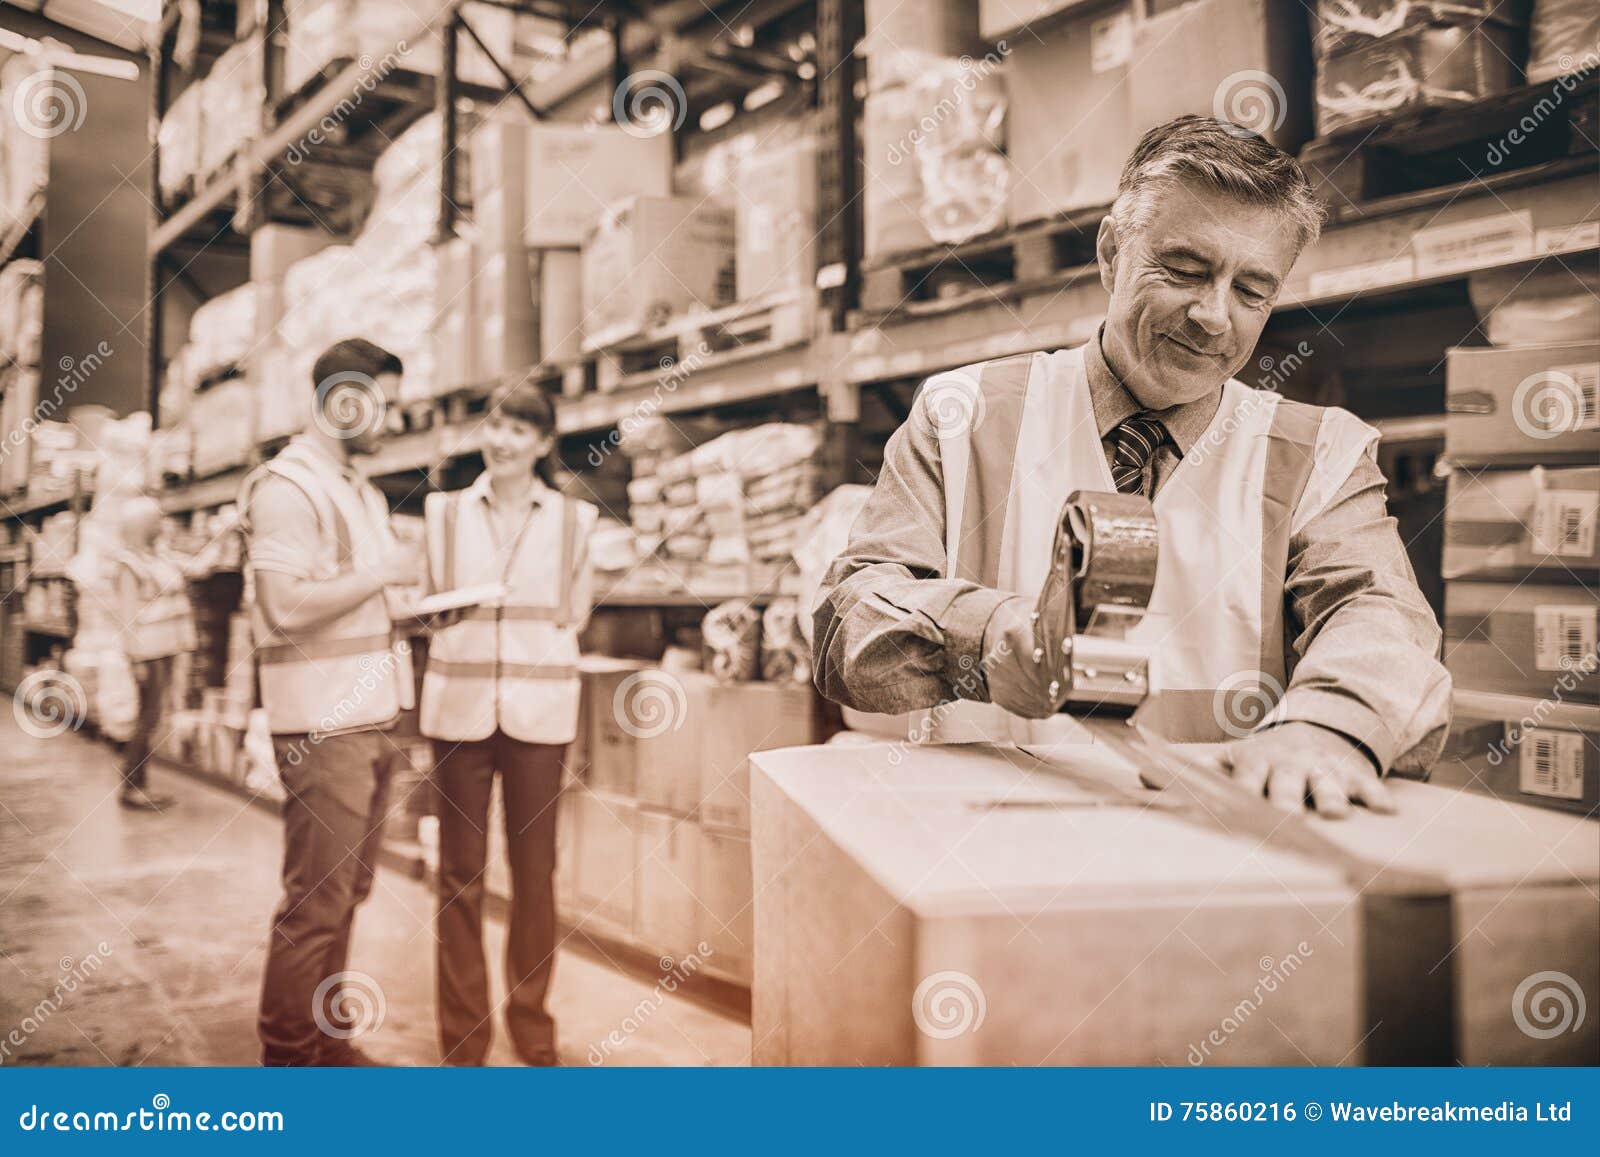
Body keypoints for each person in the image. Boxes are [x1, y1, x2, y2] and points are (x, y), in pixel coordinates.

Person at [812, 115, 1452, 816]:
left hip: (1216, 862)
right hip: (986, 852)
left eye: (1252, 291)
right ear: (1113, 253)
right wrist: (988, 637)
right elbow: (850, 618)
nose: (1214, 316)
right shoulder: (961, 416)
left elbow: (1380, 612)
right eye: (1185, 270)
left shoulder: (1320, 456)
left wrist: (1330, 726)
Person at [240, 338, 422, 1066]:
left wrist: (417, 610)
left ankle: (329, 1038)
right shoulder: (288, 487)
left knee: (346, 892)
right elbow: (284, 605)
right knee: (315, 902)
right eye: (386, 403)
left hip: (372, 716)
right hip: (322, 726)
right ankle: (288, 1059)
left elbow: (360, 600)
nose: (394, 421)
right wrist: (384, 573)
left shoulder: (359, 489)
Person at [420, 379, 597, 1067]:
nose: (502, 439)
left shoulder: (574, 522)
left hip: (540, 714)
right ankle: (463, 1041)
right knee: (458, 876)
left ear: (543, 443)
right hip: (458, 712)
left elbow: (575, 612)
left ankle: (531, 1023)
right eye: (495, 424)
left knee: (535, 874)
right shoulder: (441, 514)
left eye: (520, 429)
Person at [108, 495, 196, 811]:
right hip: (147, 654)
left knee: (152, 717)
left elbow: (198, 567)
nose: (163, 525)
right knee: (147, 719)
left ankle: (138, 785)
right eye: (157, 520)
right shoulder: (128, 565)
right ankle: (132, 787)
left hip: (165, 649)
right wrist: (134, 661)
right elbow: (127, 617)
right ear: (142, 526)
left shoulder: (157, 557)